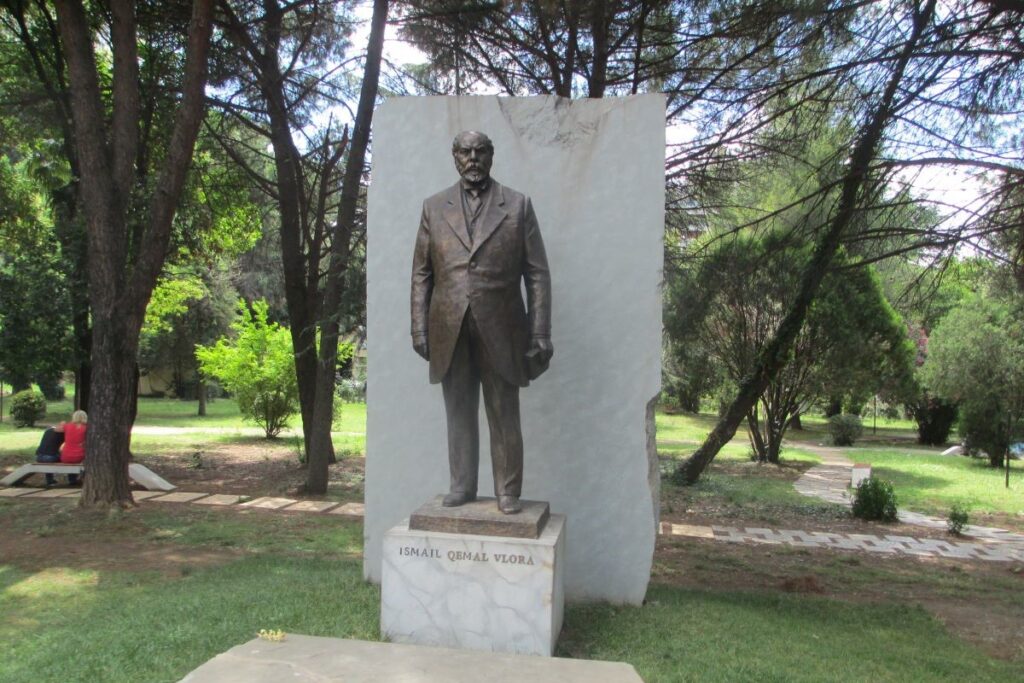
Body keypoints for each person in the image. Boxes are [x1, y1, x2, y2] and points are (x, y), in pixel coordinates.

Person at [410, 131, 553, 515]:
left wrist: (540, 332)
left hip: (503, 325)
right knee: (458, 409)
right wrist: (419, 328)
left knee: (504, 410)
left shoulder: (518, 206)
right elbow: (422, 273)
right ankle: (462, 486)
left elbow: (537, 273)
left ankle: (508, 491)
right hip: (448, 325)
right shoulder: (434, 207)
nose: (473, 158)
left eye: (480, 151)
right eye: (465, 152)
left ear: (491, 156)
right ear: (454, 156)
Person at [59, 409, 88, 486]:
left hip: (65, 456)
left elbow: (58, 429)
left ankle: (72, 480)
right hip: (80, 456)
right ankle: (82, 478)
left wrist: (62, 423)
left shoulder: (67, 426)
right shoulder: (86, 428)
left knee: (71, 457)